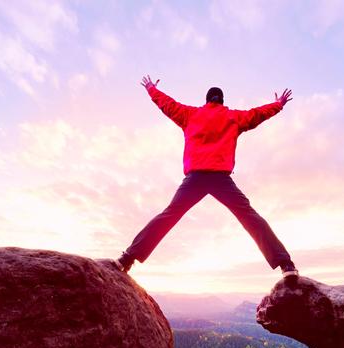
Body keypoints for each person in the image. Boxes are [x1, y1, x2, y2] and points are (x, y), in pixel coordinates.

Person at [113, 75, 298, 280]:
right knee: (250, 218)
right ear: (222, 101)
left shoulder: (190, 114)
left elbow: (167, 104)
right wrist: (278, 104)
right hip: (221, 178)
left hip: (195, 177)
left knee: (169, 216)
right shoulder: (233, 117)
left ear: (207, 100)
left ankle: (127, 259)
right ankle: (286, 265)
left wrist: (151, 89)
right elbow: (257, 114)